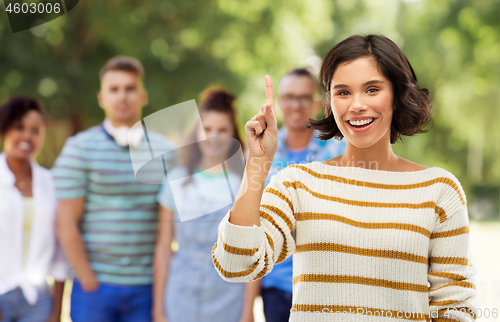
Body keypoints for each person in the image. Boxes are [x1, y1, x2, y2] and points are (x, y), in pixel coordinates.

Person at [212, 34, 477, 322]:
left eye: (372, 89)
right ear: (329, 102)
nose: (357, 104)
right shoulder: (297, 184)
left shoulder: (440, 191)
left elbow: (454, 308)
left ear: (398, 95)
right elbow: (235, 263)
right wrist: (258, 163)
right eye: (343, 92)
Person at [52, 56, 176, 322]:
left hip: (148, 289)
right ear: (102, 98)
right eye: (114, 89)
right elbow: (65, 222)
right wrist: (87, 280)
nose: (122, 96)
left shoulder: (166, 151)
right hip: (95, 288)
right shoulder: (79, 149)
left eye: (130, 88)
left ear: (143, 96)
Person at [153, 88, 259, 322]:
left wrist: (247, 312)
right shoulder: (175, 181)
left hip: (228, 300)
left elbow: (252, 255)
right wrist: (158, 310)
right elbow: (163, 248)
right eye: (207, 129)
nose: (214, 137)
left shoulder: (244, 185)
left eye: (222, 130)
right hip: (180, 296)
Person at [258, 68, 346, 322]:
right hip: (275, 287)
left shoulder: (340, 149)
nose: (296, 105)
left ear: (318, 103)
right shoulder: (261, 152)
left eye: (304, 98)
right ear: (279, 103)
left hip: (327, 287)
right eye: (289, 97)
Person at [0, 97, 67, 322]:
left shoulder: (51, 183)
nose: (27, 136)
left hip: (37, 301)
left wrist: (56, 310)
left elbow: (59, 251)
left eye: (35, 130)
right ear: (5, 130)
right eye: (19, 128)